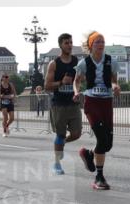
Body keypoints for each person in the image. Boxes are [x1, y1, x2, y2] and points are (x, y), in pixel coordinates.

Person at [73, 32, 121, 190]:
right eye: (98, 42)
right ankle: (99, 178)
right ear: (91, 45)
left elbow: (114, 80)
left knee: (108, 144)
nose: (101, 44)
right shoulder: (84, 63)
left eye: (103, 41)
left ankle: (88, 153)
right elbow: (77, 81)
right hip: (92, 102)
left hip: (106, 102)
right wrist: (76, 92)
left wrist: (115, 86)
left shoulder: (111, 61)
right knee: (102, 140)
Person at [45, 33, 82, 174]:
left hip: (73, 103)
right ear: (61, 45)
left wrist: (78, 86)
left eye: (71, 42)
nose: (70, 45)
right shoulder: (54, 63)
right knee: (60, 135)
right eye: (66, 43)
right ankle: (57, 163)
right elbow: (47, 86)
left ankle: (61, 144)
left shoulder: (76, 61)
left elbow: (78, 80)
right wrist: (61, 82)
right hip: (59, 105)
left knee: (77, 133)